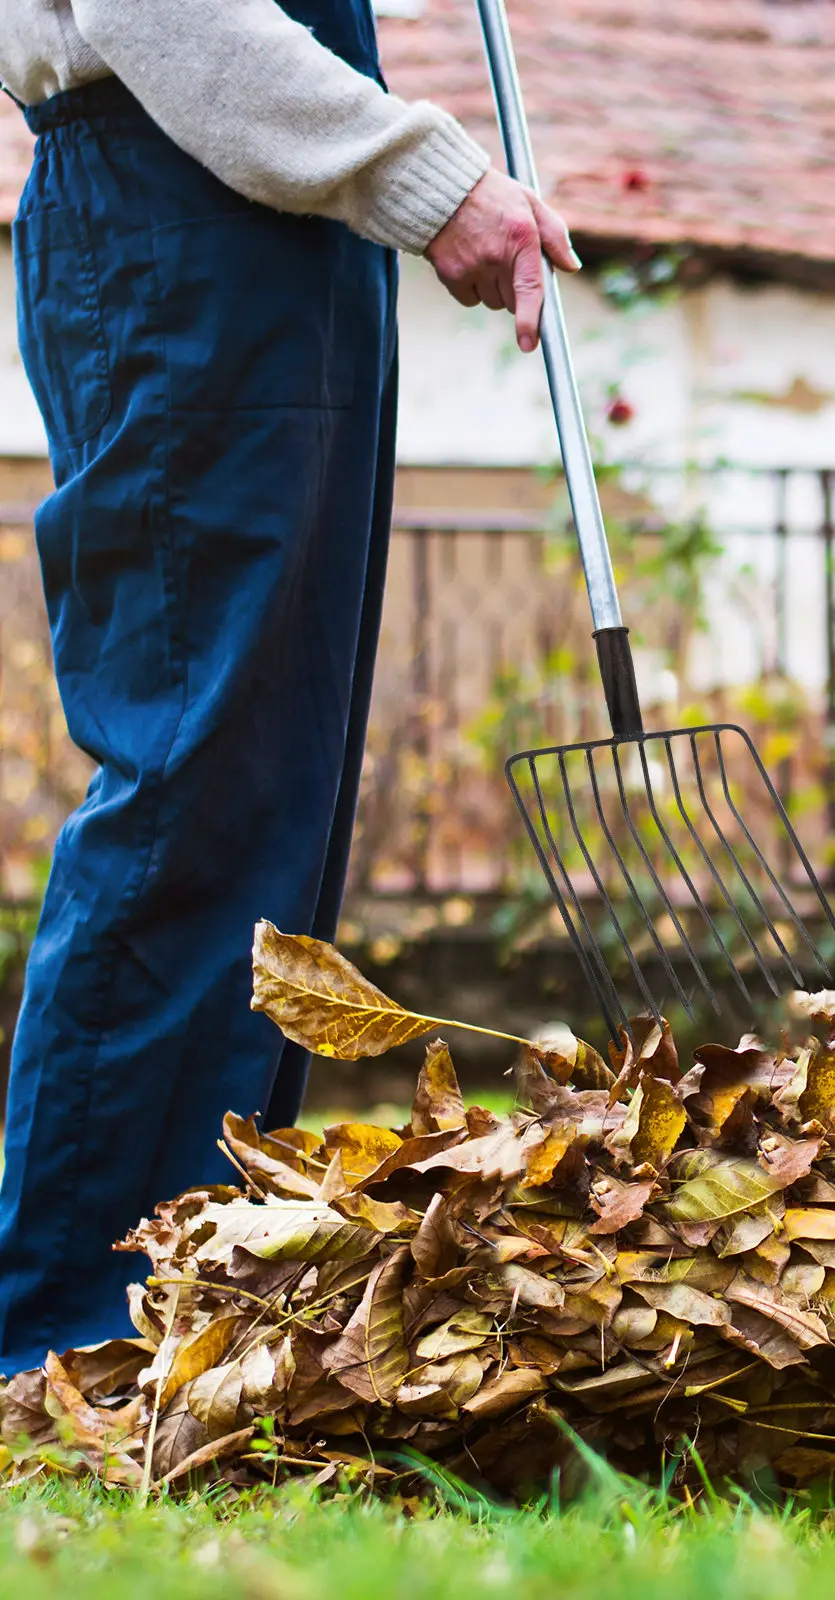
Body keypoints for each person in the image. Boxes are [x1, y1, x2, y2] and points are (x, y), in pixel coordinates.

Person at [0, 0, 579, 1372]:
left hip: (262, 239)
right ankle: (62, 1327)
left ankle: (199, 1296)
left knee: (269, 798)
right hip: (177, 219)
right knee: (195, 780)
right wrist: (429, 179)